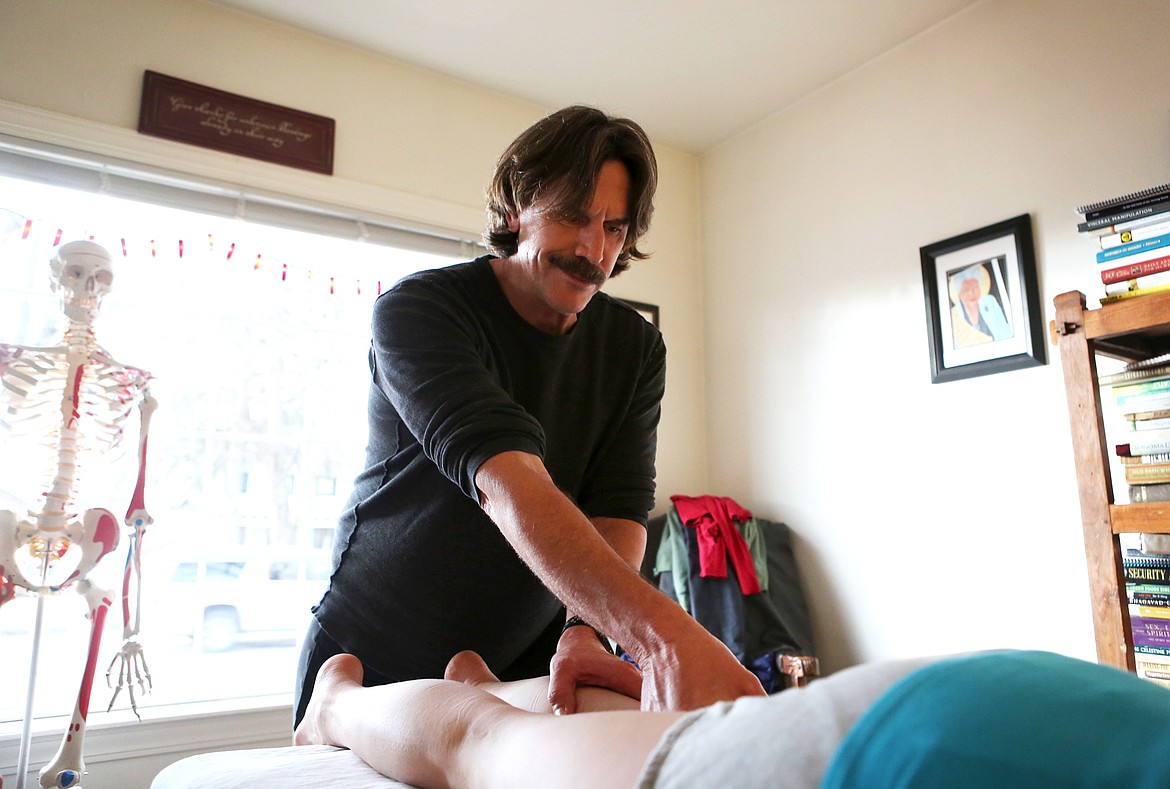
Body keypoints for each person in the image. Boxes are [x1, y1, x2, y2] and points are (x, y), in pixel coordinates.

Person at [294, 105, 764, 727]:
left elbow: (618, 508)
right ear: (517, 206)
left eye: (615, 229)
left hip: (529, 659)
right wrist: (663, 638)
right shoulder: (421, 312)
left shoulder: (634, 347)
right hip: (371, 653)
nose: (593, 249)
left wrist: (587, 630)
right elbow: (509, 482)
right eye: (573, 216)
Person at [293, 648, 1170, 788]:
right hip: (900, 752)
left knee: (506, 723)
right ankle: (333, 706)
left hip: (1003, 700)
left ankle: (489, 679)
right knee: (479, 747)